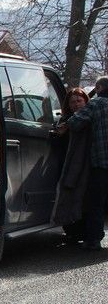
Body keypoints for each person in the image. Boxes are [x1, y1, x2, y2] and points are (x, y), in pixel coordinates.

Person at [58, 83, 108, 251]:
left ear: (100, 88)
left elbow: (76, 121)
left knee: (97, 203)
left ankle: (93, 240)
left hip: (101, 162)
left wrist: (64, 126)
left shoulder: (96, 104)